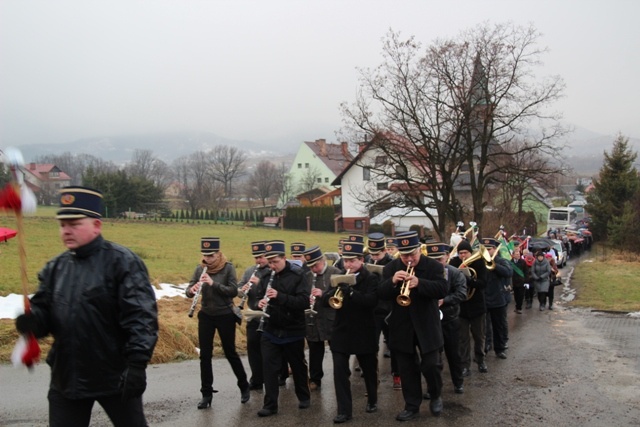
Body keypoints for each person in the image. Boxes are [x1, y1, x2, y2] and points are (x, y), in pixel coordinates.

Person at [14, 186, 158, 427]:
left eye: (74, 223)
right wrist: (32, 321)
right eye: (62, 225)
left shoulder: (123, 263)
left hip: (114, 376)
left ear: (96, 225)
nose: (67, 230)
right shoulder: (55, 268)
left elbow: (141, 317)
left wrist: (137, 365)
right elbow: (45, 316)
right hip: (67, 377)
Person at [379, 231, 449, 421]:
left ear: (420, 249)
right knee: (407, 368)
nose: (409, 259)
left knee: (431, 365)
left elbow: (443, 289)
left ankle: (435, 395)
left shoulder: (433, 266)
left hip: (427, 324)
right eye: (404, 255)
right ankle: (412, 406)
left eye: (412, 254)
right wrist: (393, 282)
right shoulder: (391, 268)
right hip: (402, 326)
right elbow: (381, 294)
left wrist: (419, 283)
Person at [186, 237, 250, 409]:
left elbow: (233, 291)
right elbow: (188, 289)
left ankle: (244, 386)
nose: (207, 259)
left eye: (211, 256)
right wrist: (191, 290)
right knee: (205, 355)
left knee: (230, 352)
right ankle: (206, 393)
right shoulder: (200, 268)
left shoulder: (228, 268)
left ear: (218, 254)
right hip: (206, 315)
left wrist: (213, 284)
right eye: (205, 255)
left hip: (225, 314)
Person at [323, 238, 379, 423]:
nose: (348, 264)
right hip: (342, 331)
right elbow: (324, 301)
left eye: (352, 260)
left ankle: (372, 399)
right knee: (339, 371)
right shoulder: (339, 276)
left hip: (364, 330)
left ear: (361, 260)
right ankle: (344, 411)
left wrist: (352, 293)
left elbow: (371, 301)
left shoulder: (371, 278)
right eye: (346, 260)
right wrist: (332, 293)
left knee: (369, 370)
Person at [256, 240, 311, 417]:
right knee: (269, 368)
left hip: (292, 329)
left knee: (297, 365)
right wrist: (260, 303)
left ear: (284, 258)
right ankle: (270, 404)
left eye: (275, 262)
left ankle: (303, 396)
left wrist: (280, 296)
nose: (272, 266)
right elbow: (257, 298)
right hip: (271, 328)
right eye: (269, 262)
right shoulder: (266, 277)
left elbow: (303, 302)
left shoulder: (298, 275)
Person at [424, 242, 467, 395]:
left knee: (454, 354)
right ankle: (433, 388)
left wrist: (445, 300)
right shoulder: (425, 274)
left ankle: (458, 382)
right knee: (433, 358)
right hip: (431, 321)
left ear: (447, 257)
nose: (437, 263)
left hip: (450, 319)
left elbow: (462, 293)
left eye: (440, 259)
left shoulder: (455, 273)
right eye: (433, 260)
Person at [302, 245, 339, 391]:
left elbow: (339, 294)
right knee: (315, 350)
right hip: (313, 318)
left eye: (315, 265)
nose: (313, 269)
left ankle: (341, 375)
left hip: (331, 317)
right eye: (310, 266)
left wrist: (323, 294)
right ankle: (315, 379)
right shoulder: (307, 276)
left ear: (323, 260)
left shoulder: (335, 272)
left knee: (337, 349)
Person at [449, 239, 489, 375]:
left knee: (479, 336)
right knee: (463, 338)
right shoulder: (454, 264)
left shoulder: (478, 263)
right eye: (460, 253)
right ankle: (465, 364)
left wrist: (470, 280)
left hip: (477, 305)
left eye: (465, 253)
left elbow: (483, 283)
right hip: (462, 307)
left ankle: (480, 360)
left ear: (470, 252)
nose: (463, 256)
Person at [366, 232, 399, 388]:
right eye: (372, 254)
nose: (374, 257)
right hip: (373, 310)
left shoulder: (393, 264)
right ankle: (372, 378)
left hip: (389, 309)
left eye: (377, 254)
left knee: (394, 344)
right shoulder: (367, 263)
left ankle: (397, 375)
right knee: (371, 345)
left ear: (385, 251)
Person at [238, 241, 272, 391]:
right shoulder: (250, 271)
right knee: (253, 347)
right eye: (256, 257)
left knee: (269, 349)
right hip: (253, 315)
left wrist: (259, 284)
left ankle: (273, 377)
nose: (259, 260)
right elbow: (238, 288)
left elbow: (274, 291)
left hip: (269, 315)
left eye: (262, 257)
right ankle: (256, 379)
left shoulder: (273, 270)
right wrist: (242, 289)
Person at [482, 238, 513, 360]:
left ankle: (499, 349)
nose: (486, 251)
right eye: (484, 249)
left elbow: (508, 272)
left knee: (498, 325)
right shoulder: (480, 261)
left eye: (489, 249)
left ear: (494, 249)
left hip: (498, 298)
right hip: (484, 298)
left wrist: (494, 266)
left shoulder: (501, 261)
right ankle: (485, 346)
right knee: (484, 326)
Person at [510, 247, 530, 314]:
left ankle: (519, 308)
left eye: (518, 254)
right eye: (516, 254)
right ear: (513, 255)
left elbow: (526, 272)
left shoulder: (523, 262)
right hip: (514, 282)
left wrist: (526, 281)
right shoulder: (510, 262)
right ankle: (517, 306)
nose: (518, 256)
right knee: (516, 295)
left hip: (521, 281)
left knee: (521, 295)